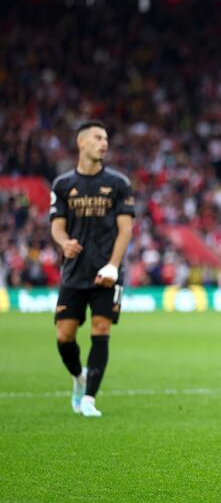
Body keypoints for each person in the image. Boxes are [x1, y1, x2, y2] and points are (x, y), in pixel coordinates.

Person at [50, 121, 135, 417]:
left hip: (107, 272)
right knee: (65, 336)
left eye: (106, 138)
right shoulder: (62, 185)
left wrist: (113, 265)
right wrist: (64, 244)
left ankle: (89, 399)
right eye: (98, 137)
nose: (104, 143)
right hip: (74, 272)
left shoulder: (119, 184)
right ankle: (79, 376)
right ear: (82, 143)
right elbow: (57, 227)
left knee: (101, 328)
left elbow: (126, 229)